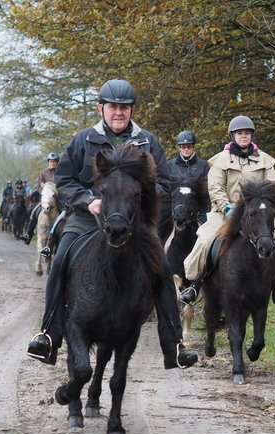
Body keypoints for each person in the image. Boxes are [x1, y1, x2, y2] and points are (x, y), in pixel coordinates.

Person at [26, 78, 197, 370]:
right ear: (101, 108)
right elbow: (64, 180)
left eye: (124, 108)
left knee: (164, 271)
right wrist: (87, 200)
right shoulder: (83, 139)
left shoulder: (148, 141)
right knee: (60, 264)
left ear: (131, 110)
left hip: (133, 222)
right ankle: (49, 336)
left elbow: (164, 182)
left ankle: (174, 344)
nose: (119, 113)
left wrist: (133, 201)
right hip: (86, 218)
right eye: (113, 107)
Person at [180, 115, 275, 307]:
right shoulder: (221, 160)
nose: (243, 136)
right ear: (232, 136)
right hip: (226, 213)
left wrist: (262, 206)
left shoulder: (264, 160)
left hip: (258, 215)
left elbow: (272, 186)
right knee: (205, 241)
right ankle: (194, 285)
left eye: (247, 133)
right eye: (239, 133)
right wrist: (226, 206)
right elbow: (215, 187)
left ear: (251, 135)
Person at [25, 153, 62, 245]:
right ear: (48, 162)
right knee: (33, 213)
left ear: (57, 163)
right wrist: (41, 190)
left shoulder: (61, 172)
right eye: (50, 162)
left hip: (59, 198)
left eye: (54, 162)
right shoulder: (43, 173)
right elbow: (39, 186)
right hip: (46, 199)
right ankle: (28, 235)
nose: (52, 163)